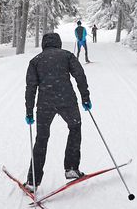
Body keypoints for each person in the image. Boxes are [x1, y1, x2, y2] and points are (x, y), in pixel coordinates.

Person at [24, 31, 92, 190]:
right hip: (66, 100)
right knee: (75, 128)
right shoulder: (67, 55)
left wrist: (29, 111)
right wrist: (85, 98)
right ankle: (71, 168)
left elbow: (30, 88)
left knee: (41, 138)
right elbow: (80, 76)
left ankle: (33, 181)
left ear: (43, 44)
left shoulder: (35, 61)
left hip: (44, 104)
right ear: (59, 43)